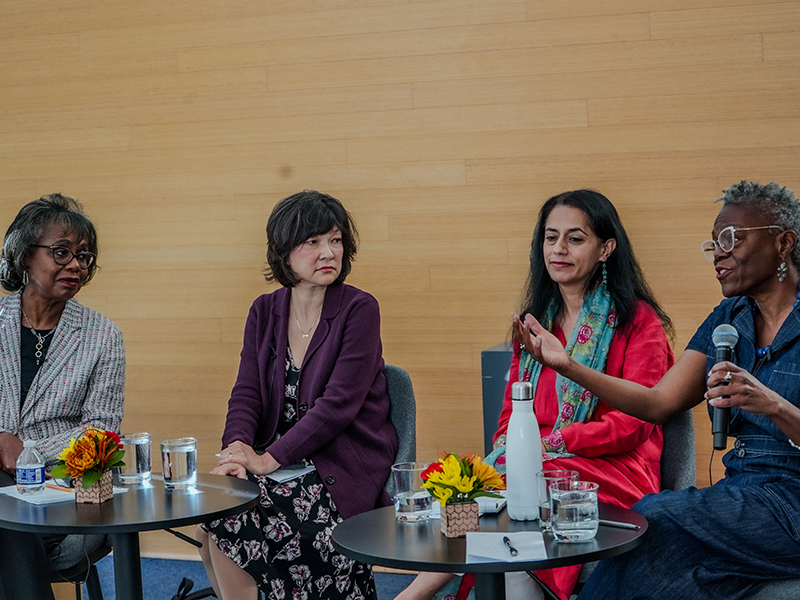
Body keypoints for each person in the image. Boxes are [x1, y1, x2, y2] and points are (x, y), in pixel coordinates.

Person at [514, 182, 800, 599]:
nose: (718, 253)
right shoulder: (729, 317)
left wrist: (773, 405)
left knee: (653, 514)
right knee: (677, 582)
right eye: (713, 243)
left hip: (792, 499)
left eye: (730, 239)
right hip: (743, 492)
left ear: (783, 242)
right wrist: (568, 365)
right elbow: (657, 402)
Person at [396, 189, 674, 600]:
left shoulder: (638, 321)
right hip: (536, 464)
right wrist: (519, 450)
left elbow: (636, 422)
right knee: (483, 492)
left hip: (613, 469)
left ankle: (413, 595)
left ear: (606, 248)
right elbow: (510, 413)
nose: (558, 249)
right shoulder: (535, 323)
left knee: (515, 496)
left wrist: (553, 444)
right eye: (550, 237)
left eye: (575, 239)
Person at [196, 190, 398, 600]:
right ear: (281, 251)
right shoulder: (264, 310)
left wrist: (266, 460)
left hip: (340, 466)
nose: (328, 252)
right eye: (313, 242)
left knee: (230, 521)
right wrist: (236, 451)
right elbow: (247, 391)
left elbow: (337, 406)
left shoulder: (359, 309)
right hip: (284, 465)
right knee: (210, 519)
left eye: (336, 240)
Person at [0, 193, 125, 600]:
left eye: (84, 256)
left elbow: (102, 430)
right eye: (61, 252)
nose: (76, 264)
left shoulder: (103, 335)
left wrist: (25, 450)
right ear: (23, 256)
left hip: (61, 481)